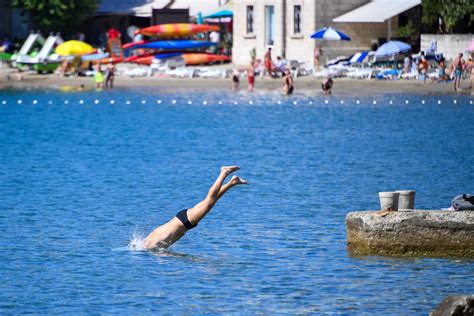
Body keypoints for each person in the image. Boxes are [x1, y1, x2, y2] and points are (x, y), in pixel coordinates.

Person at [143, 166, 248, 250]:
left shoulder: (152, 245)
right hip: (181, 218)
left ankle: (223, 173)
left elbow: (162, 251)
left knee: (209, 200)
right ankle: (232, 182)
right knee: (210, 202)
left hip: (184, 222)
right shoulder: (147, 240)